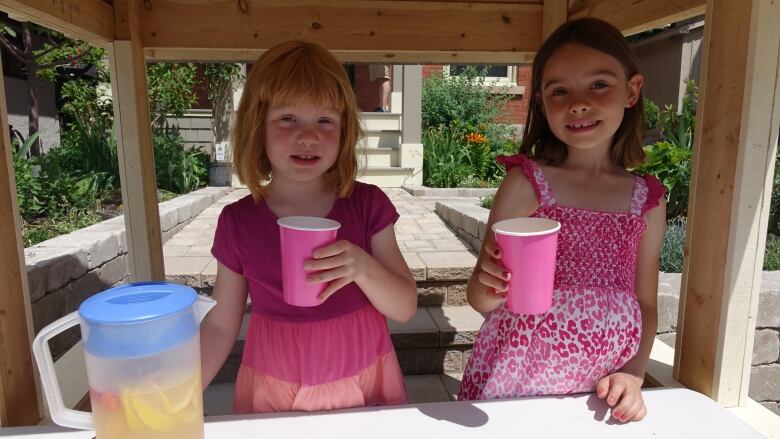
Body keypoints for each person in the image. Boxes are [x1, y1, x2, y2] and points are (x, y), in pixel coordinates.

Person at [457, 18, 666, 424]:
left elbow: (646, 302)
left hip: (601, 391)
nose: (579, 102)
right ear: (541, 102)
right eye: (560, 91)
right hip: (516, 381)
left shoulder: (647, 201)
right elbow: (481, 301)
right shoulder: (527, 184)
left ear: (632, 91)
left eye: (599, 84)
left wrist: (635, 371)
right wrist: (488, 284)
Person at [200, 40, 417, 414]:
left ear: (344, 131)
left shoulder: (368, 206)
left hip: (362, 376)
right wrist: (172, 397)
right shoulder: (238, 222)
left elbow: (404, 306)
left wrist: (362, 267)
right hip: (274, 384)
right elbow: (220, 326)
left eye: (324, 120)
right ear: (258, 128)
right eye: (287, 119)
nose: (307, 135)